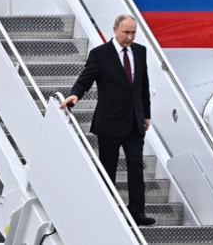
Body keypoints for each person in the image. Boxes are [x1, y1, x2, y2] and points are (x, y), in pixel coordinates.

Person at [60, 14, 156, 227]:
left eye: (133, 33)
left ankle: (137, 212)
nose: (130, 37)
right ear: (114, 30)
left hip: (134, 121)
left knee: (136, 167)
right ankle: (104, 210)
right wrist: (75, 94)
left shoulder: (140, 51)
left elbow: (143, 85)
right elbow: (85, 79)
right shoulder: (100, 54)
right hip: (110, 122)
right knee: (108, 168)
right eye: (126, 32)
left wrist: (146, 114)